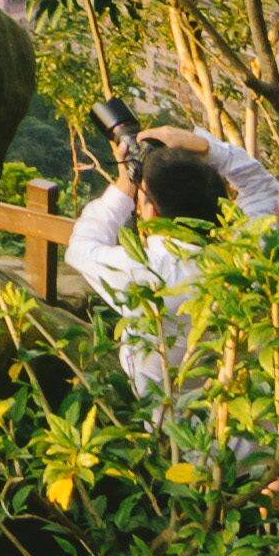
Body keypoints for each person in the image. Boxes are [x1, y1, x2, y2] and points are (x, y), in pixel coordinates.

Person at [66, 137, 242, 393]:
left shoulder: (148, 270)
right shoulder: (242, 262)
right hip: (232, 412)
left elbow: (81, 248)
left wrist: (126, 183)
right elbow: (261, 186)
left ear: (152, 212)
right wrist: (205, 148)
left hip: (161, 414)